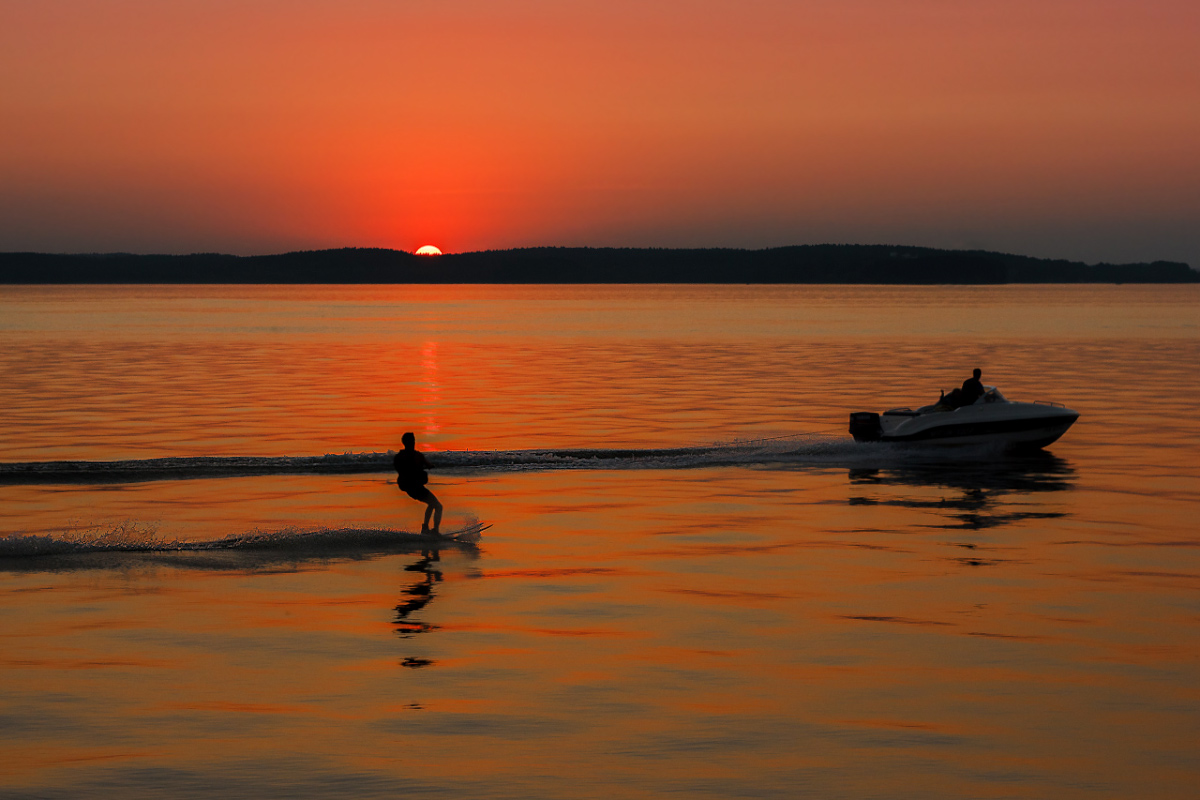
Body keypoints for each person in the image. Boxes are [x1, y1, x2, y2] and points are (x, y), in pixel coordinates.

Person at [394, 432, 443, 535]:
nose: (413, 443)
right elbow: (427, 464)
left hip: (410, 488)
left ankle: (425, 528)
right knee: (438, 506)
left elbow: (398, 468)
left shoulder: (399, 457)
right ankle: (434, 531)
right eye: (412, 441)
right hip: (415, 488)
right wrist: (429, 466)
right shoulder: (417, 456)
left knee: (432, 503)